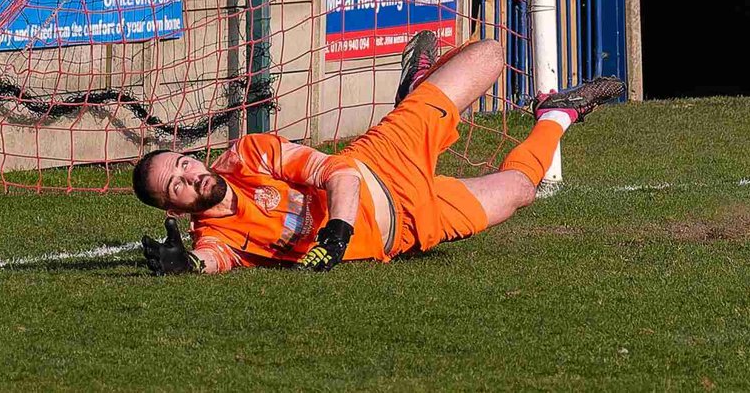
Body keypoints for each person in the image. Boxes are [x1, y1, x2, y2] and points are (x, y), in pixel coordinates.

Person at [134, 33, 624, 274]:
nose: (190, 176)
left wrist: (337, 233)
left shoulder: (248, 155)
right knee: (520, 190)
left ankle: (419, 90)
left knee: (490, 55)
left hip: (383, 161)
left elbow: (337, 172)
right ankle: (557, 114)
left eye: (184, 163)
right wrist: (186, 265)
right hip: (409, 229)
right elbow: (211, 258)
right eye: (177, 185)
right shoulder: (217, 235)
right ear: (173, 208)